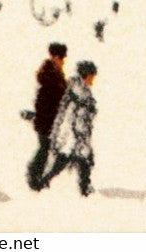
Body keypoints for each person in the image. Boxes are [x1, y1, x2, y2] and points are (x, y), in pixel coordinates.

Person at [41, 61, 98, 196]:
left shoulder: (81, 91)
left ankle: (83, 187)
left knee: (80, 160)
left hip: (76, 135)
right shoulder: (79, 94)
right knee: (73, 159)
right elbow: (74, 116)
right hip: (73, 135)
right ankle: (46, 180)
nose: (93, 80)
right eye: (92, 77)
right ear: (87, 76)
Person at [26, 42, 67, 191]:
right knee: (45, 149)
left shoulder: (53, 74)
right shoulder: (50, 76)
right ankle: (34, 178)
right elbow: (45, 101)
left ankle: (36, 176)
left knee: (45, 149)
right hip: (47, 120)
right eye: (61, 58)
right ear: (55, 57)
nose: (63, 61)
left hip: (49, 120)